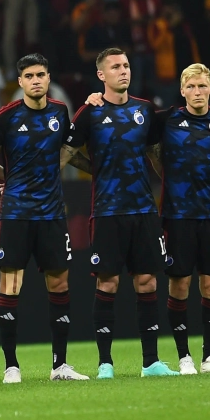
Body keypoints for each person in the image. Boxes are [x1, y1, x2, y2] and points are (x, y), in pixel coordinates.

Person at [88, 64, 210, 373]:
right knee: (179, 286)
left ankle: (209, 357)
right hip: (176, 215)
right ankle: (184, 357)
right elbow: (130, 141)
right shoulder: (165, 119)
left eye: (202, 86)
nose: (197, 92)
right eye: (191, 86)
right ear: (182, 91)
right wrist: (97, 101)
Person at [0, 54, 91, 382]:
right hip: (16, 213)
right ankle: (11, 367)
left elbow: (71, 152)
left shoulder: (61, 112)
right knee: (11, 286)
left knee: (59, 283)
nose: (36, 80)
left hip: (51, 214)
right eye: (29, 75)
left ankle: (60, 365)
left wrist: (94, 170)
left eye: (41, 75)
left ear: (49, 79)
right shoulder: (4, 117)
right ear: (20, 82)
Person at [64, 49, 177, 379]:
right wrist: (93, 168)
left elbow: (156, 155)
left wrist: (169, 188)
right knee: (108, 283)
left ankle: (151, 362)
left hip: (143, 209)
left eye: (126, 65)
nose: (123, 71)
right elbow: (67, 152)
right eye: (115, 67)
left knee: (146, 281)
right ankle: (105, 364)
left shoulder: (144, 110)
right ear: (102, 75)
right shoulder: (90, 113)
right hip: (108, 210)